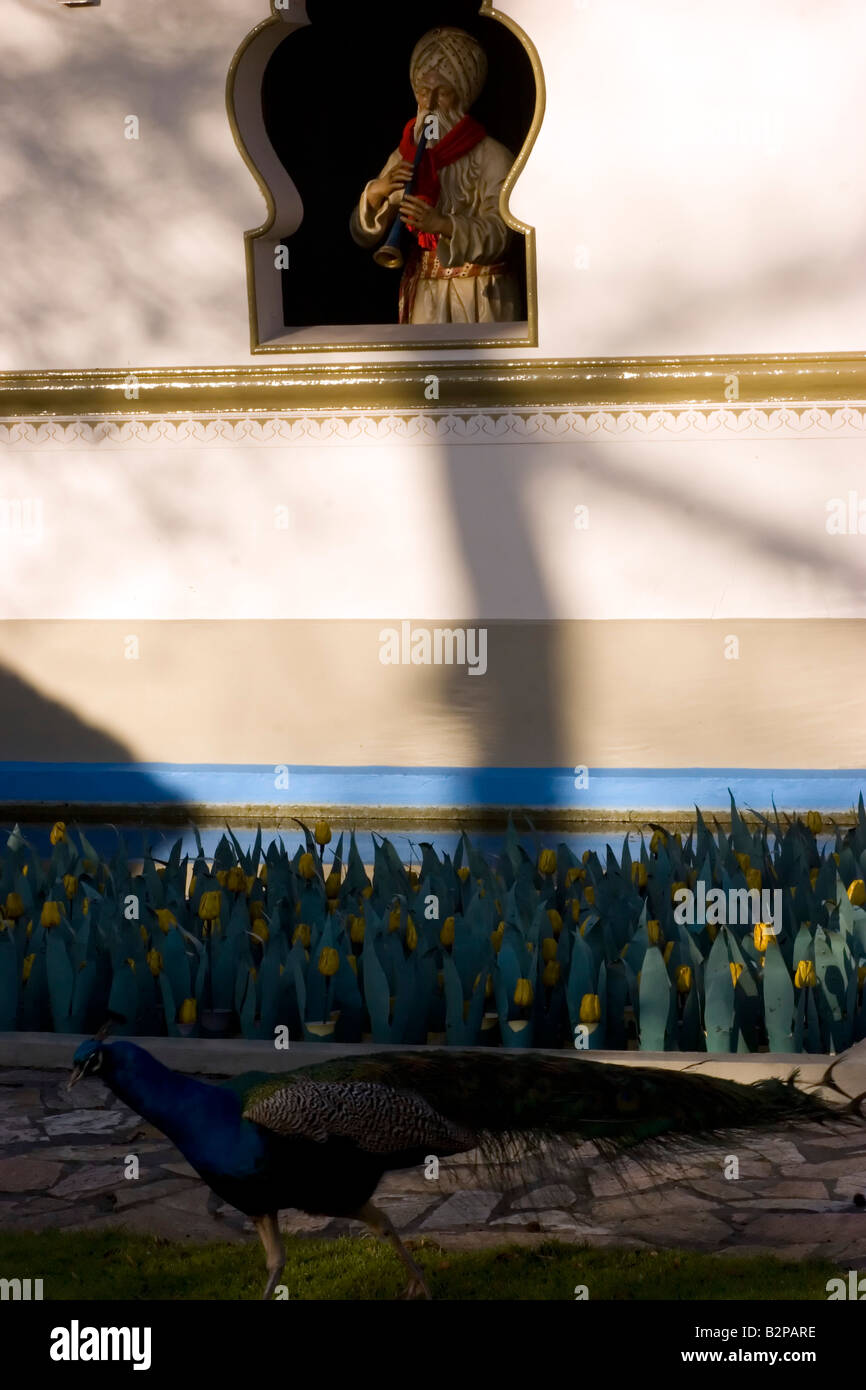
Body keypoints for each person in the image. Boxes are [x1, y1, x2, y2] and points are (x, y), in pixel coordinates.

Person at [350, 27, 521, 325]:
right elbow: (362, 236)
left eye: (441, 92)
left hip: (482, 298)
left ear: (463, 94)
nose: (427, 105)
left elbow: (502, 234)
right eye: (422, 91)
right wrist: (377, 193)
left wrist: (441, 224)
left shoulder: (493, 156)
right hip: (426, 298)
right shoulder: (407, 152)